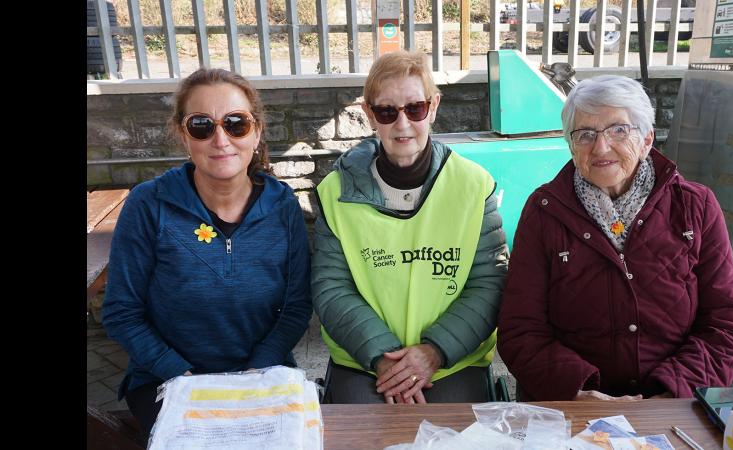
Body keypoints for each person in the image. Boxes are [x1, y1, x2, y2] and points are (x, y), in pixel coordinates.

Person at [498, 75, 733, 401]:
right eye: (585, 134)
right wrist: (577, 392)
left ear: (646, 140)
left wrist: (671, 393)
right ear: (572, 147)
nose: (601, 147)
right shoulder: (545, 211)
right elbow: (520, 330)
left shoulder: (694, 206)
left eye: (618, 130)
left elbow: (725, 326)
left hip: (673, 403)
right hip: (573, 404)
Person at [102, 67, 312, 436]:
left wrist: (255, 373)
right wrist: (183, 378)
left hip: (262, 375)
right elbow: (122, 312)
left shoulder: (282, 207)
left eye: (236, 124)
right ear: (183, 134)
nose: (220, 139)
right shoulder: (149, 205)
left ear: (257, 131)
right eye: (201, 125)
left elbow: (296, 307)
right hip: (167, 380)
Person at [312, 50, 508, 404]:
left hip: (451, 359)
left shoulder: (473, 186)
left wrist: (434, 351)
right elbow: (331, 288)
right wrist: (384, 357)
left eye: (415, 108)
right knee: (365, 431)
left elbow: (488, 282)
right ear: (369, 114)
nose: (402, 124)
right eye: (387, 112)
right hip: (365, 361)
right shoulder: (335, 192)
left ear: (433, 107)